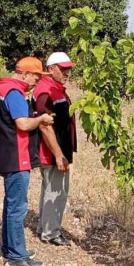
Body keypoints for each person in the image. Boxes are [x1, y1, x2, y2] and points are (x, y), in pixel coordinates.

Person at [0, 57, 52, 266]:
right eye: (36, 76)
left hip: (5, 154)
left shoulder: (0, 89)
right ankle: (17, 256)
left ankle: (9, 248)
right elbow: (23, 124)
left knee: (10, 204)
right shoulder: (14, 93)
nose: (36, 81)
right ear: (24, 73)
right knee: (18, 207)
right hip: (18, 156)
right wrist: (41, 119)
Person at [31, 51, 78, 246]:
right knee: (57, 191)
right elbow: (44, 125)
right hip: (51, 151)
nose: (67, 72)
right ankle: (51, 233)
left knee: (50, 189)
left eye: (68, 69)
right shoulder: (46, 91)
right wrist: (59, 155)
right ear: (51, 69)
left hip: (57, 150)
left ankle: (45, 228)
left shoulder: (55, 88)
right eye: (63, 68)